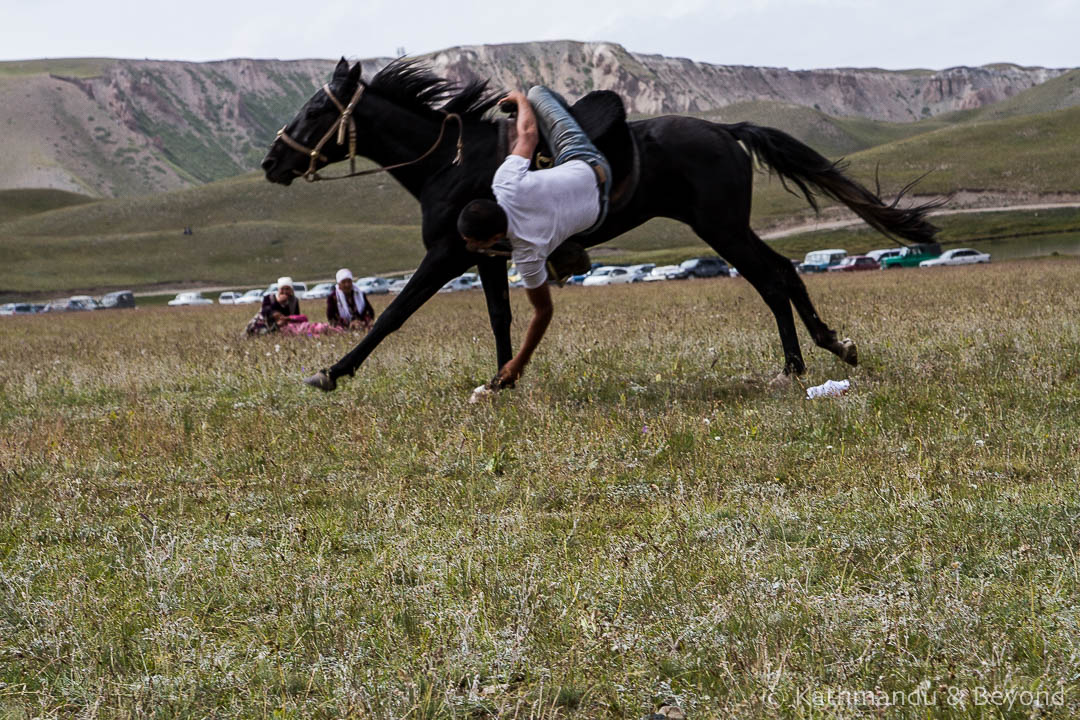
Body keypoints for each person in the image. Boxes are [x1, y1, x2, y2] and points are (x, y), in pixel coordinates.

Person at [457, 86, 612, 388]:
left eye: (473, 242)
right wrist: (519, 98)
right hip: (586, 163)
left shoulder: (527, 255)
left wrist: (518, 363)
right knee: (538, 91)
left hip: (598, 210)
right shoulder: (504, 181)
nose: (468, 245)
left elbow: (544, 310)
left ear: (495, 237)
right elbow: (528, 134)